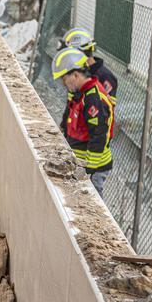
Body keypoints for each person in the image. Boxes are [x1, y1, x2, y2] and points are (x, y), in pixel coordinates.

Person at [52, 47, 115, 195]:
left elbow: (98, 136)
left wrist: (88, 171)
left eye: (64, 78)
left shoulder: (93, 98)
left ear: (75, 75)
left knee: (91, 202)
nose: (63, 83)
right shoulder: (79, 93)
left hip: (94, 167)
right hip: (80, 162)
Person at [59, 27, 118, 103]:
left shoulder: (105, 76)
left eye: (70, 54)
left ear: (80, 53)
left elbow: (106, 108)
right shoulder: (78, 73)